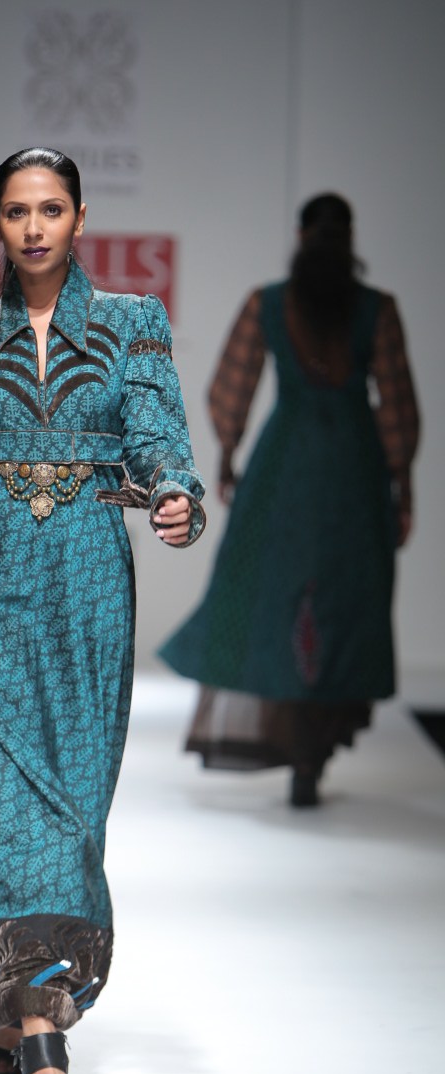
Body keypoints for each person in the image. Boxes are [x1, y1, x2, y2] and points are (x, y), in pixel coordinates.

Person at [0, 147, 205, 1074]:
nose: (34, 226)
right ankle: (41, 1037)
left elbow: (157, 432)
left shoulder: (130, 325)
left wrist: (173, 492)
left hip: (84, 595)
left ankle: (18, 993)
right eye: (17, 210)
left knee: (71, 818)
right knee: (4, 815)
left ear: (78, 219)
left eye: (52, 208)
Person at [159, 193, 419, 807]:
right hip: (354, 467)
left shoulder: (270, 303)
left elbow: (231, 387)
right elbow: (398, 408)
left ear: (300, 237)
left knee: (273, 593)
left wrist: (228, 454)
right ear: (350, 239)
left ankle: (299, 745)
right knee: (342, 600)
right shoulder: (375, 309)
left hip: (285, 464)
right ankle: (313, 751)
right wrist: (401, 482)